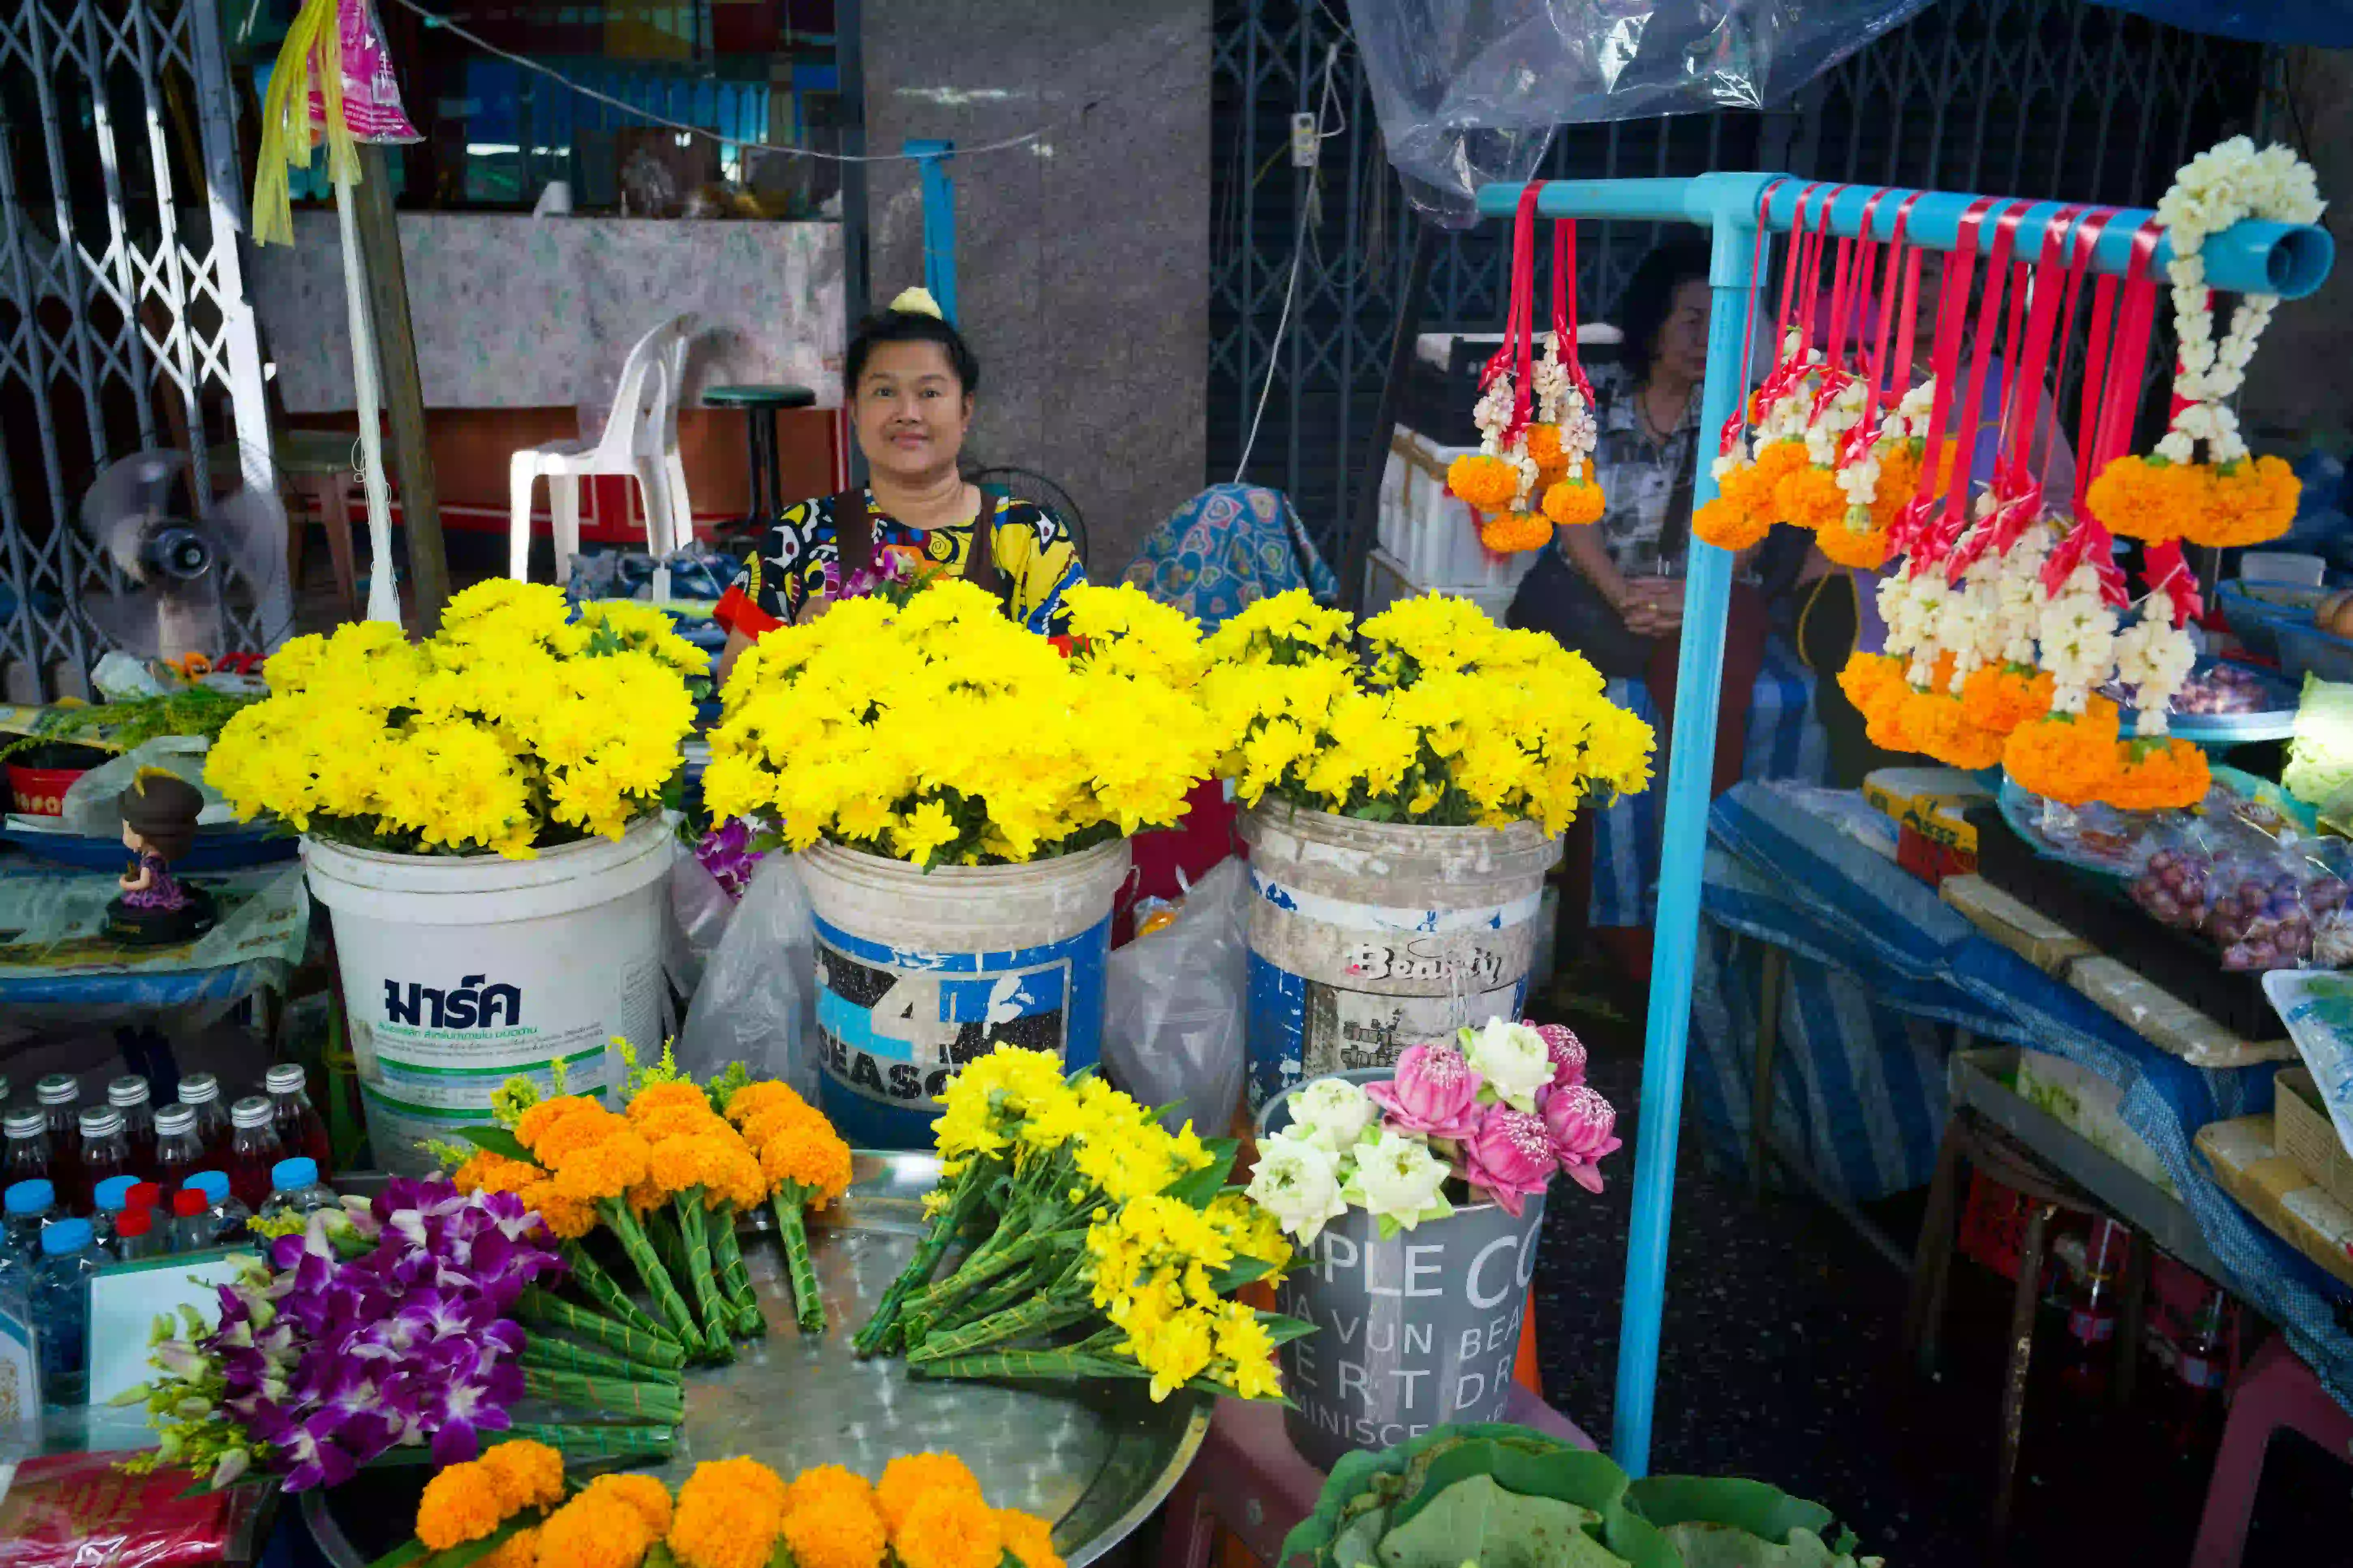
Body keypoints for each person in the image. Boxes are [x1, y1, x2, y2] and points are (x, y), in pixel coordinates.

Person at [1510, 238, 1786, 985]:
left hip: (1704, 591)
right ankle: (1605, 928)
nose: (1706, 340)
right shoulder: (1586, 399)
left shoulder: (1740, 417)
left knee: (1713, 675)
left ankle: (1699, 877)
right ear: (1653, 321)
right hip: (1597, 594)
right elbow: (1572, 516)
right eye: (1691, 320)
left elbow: (1749, 530)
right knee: (1582, 712)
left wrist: (1693, 597)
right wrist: (1622, 593)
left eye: (1720, 324)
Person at [714, 290, 1084, 680]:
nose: (908, 413)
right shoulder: (800, 534)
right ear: (855, 409)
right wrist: (802, 649)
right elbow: (736, 686)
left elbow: (1075, 681)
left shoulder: (1030, 537)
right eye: (885, 392)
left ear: (965, 410)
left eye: (930, 393)